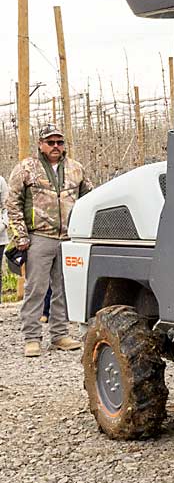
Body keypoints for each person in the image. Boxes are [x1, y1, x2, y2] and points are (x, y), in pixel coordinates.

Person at [6, 123, 93, 357]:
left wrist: (86, 233)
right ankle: (32, 337)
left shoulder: (76, 169)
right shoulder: (26, 168)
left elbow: (90, 199)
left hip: (69, 238)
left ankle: (60, 334)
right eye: (51, 142)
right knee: (36, 288)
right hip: (39, 237)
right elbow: (12, 203)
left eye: (59, 142)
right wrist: (21, 236)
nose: (56, 146)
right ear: (41, 144)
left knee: (63, 288)